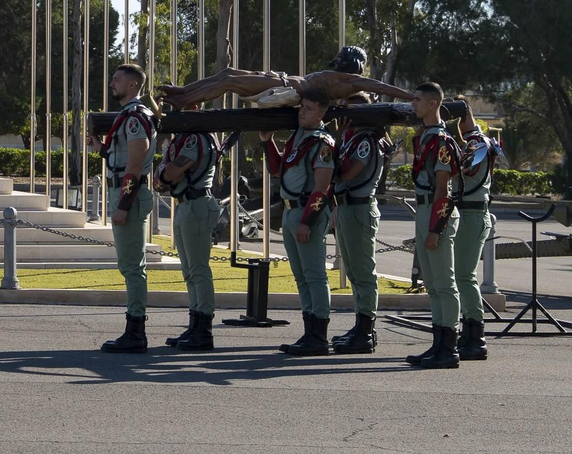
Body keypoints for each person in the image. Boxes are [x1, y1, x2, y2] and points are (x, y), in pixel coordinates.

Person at [267, 87, 336, 356]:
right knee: (301, 277)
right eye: (301, 107)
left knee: (315, 275)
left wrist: (307, 221)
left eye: (308, 108)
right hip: (289, 210)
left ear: (321, 112)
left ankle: (319, 335)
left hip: (307, 211)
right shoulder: (298, 137)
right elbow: (278, 169)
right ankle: (309, 331)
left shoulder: (322, 143)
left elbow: (322, 187)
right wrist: (267, 141)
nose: (302, 112)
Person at [96, 63, 156, 353]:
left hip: (128, 193)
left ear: (133, 85)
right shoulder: (129, 115)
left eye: (117, 79)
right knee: (130, 265)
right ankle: (134, 330)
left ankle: (135, 333)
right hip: (123, 191)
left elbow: (134, 164)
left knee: (132, 267)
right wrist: (100, 146)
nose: (112, 83)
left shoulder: (135, 117)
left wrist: (123, 204)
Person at [157, 44, 413, 111]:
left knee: (228, 82)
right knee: (227, 73)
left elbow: (380, 85)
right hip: (281, 81)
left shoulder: (351, 82)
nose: (336, 59)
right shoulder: (339, 76)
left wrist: (412, 96)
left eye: (341, 56)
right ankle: (183, 91)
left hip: (284, 88)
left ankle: (184, 100)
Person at [406, 82, 462, 369]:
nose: (412, 104)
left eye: (417, 100)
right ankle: (437, 343)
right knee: (433, 284)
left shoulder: (441, 140)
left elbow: (443, 189)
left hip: (435, 211)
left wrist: (435, 228)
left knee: (444, 282)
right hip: (423, 208)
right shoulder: (425, 136)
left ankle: (449, 347)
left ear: (432, 104)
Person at [329, 96, 391, 354]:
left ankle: (366, 330)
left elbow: (347, 172)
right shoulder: (353, 138)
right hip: (346, 206)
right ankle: (361, 325)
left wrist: (335, 141)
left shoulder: (365, 140)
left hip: (360, 207)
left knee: (364, 273)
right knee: (354, 272)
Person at [156, 127, 220, 350]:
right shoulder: (182, 138)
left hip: (197, 203)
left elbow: (170, 173)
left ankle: (203, 329)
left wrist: (165, 172)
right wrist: (165, 172)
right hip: (185, 203)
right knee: (189, 271)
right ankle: (195, 324)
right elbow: (164, 174)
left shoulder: (196, 137)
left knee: (198, 269)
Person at [454, 104, 503, 361]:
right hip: (465, 213)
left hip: (471, 213)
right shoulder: (471, 141)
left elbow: (459, 173)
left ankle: (475, 336)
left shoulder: (476, 143)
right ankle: (467, 332)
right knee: (459, 276)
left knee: (464, 276)